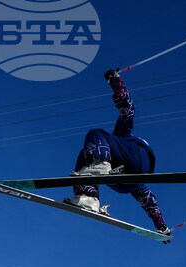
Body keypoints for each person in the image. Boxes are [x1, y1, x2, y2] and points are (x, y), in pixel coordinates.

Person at [64, 69, 170, 236]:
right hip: (131, 179)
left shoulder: (121, 136)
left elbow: (128, 109)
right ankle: (89, 199)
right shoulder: (137, 184)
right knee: (86, 154)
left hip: (136, 155)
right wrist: (161, 225)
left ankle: (96, 174)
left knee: (95, 133)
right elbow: (148, 200)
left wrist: (116, 81)